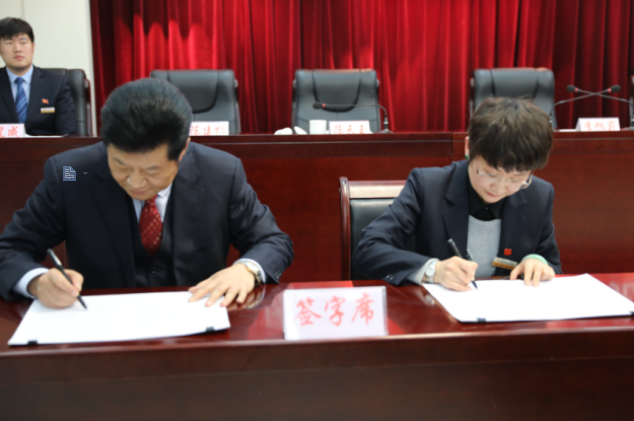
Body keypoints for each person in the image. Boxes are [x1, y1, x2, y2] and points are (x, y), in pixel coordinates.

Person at [0, 78, 293, 308]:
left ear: (182, 150)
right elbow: (9, 249)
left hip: (198, 322)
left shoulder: (220, 173)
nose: (136, 182)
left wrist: (246, 270)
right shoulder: (72, 173)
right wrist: (36, 281)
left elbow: (273, 241)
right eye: (121, 165)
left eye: (152, 170)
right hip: (101, 330)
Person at [352, 97, 561, 291]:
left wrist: (538, 263)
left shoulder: (539, 195)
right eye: (490, 174)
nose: (499, 188)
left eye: (516, 179)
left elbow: (553, 266)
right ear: (469, 147)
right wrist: (433, 270)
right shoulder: (428, 187)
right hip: (435, 312)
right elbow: (368, 250)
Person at [0, 17, 75, 135]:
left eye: (23, 42)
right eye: (9, 43)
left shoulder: (57, 83)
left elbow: (67, 133)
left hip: (48, 147)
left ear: (33, 47)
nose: (17, 49)